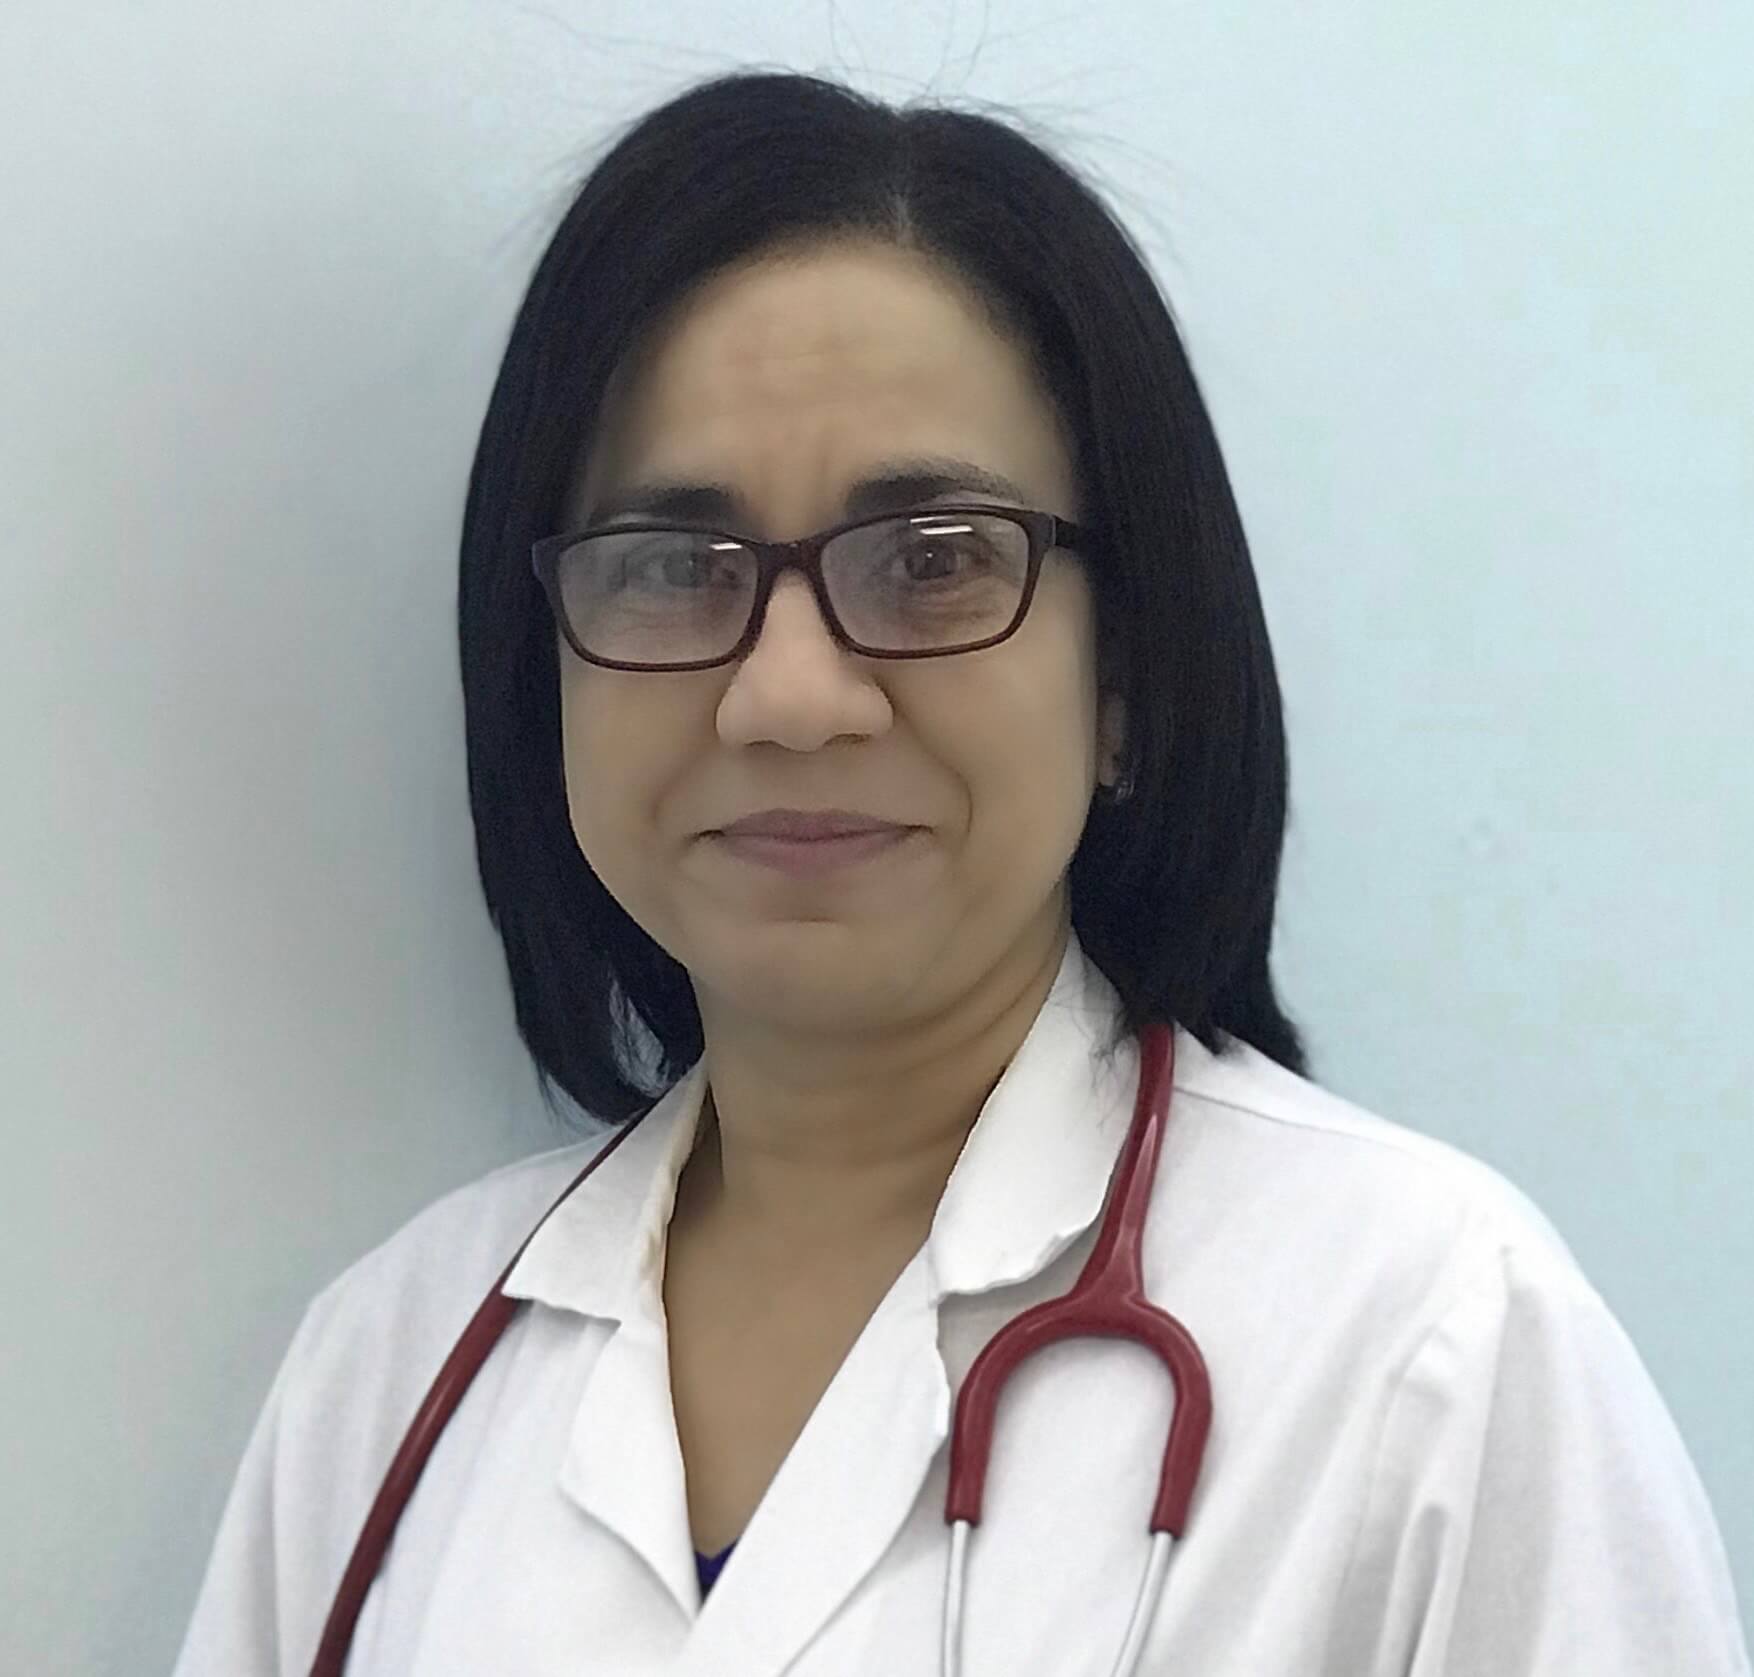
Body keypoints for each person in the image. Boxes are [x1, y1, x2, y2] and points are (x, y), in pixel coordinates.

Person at [172, 69, 1749, 1676]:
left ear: (1122, 673)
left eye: (933, 560)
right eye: (666, 568)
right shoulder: (394, 1369)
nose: (786, 697)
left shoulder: (1427, 1335)